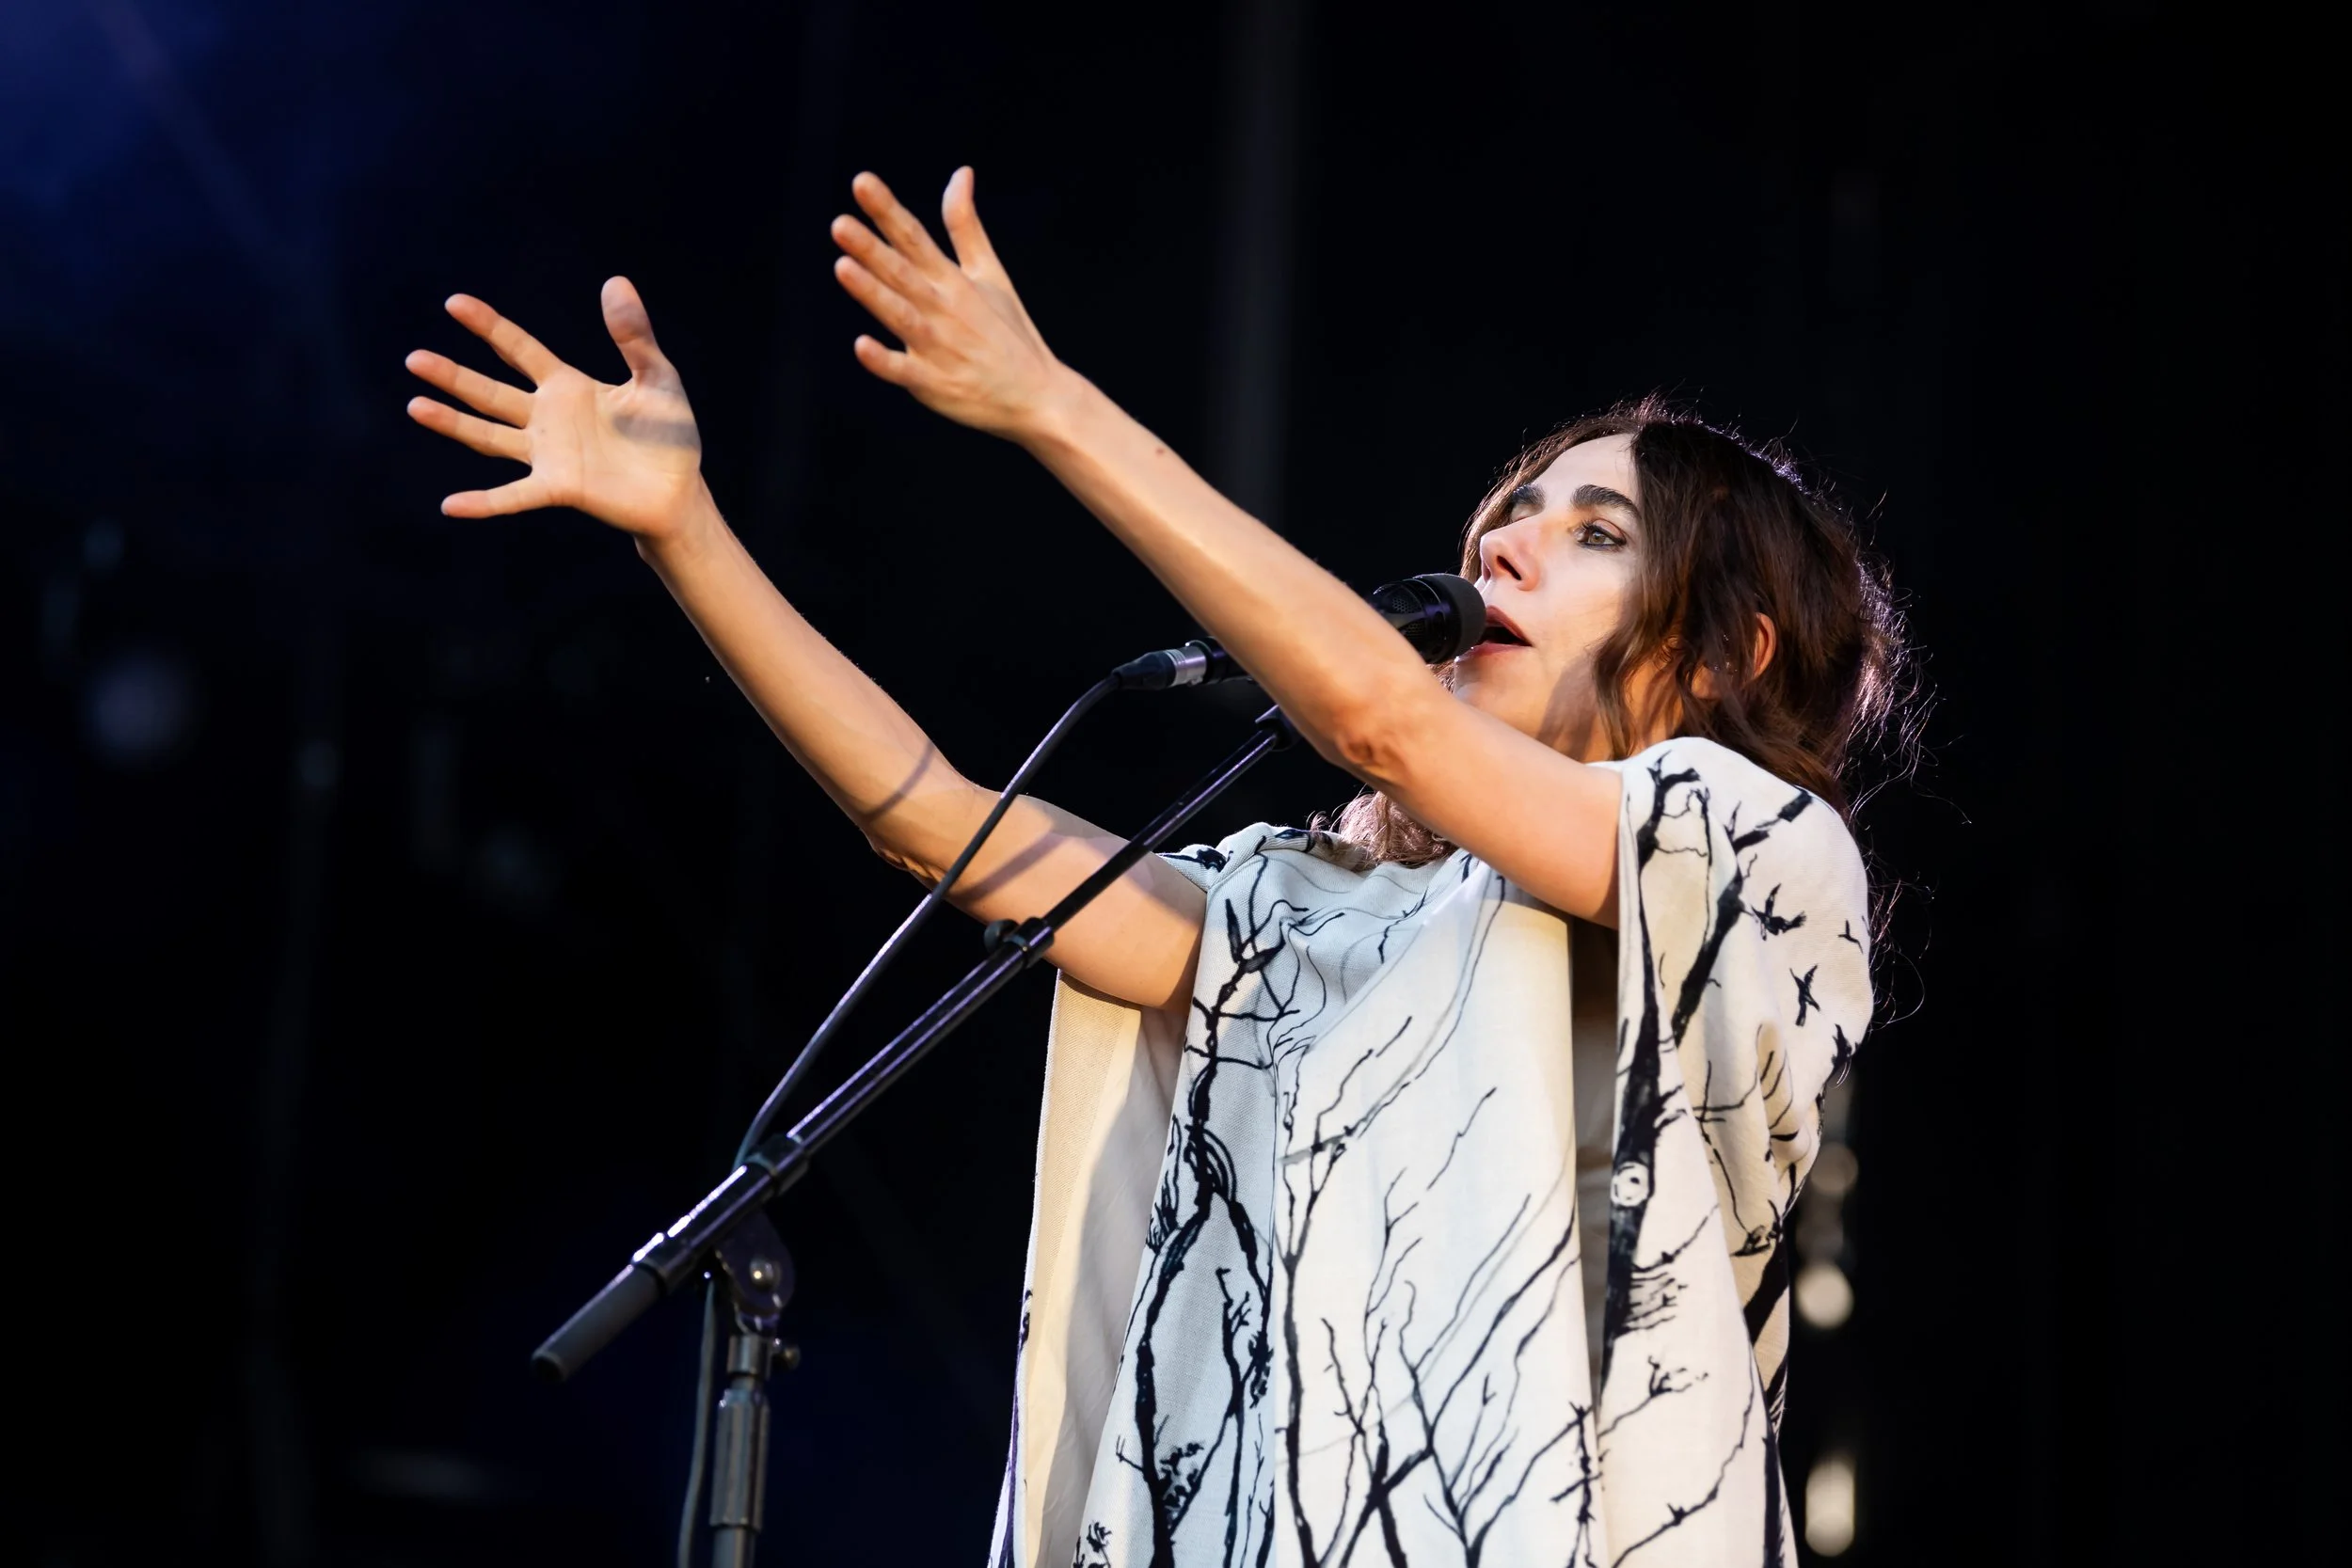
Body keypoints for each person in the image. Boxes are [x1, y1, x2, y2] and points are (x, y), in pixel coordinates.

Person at [405, 166, 1908, 1568]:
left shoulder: (1757, 851)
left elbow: (1375, 717)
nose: (1507, 547)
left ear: (1723, 649)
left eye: (1596, 531)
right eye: (1507, 511)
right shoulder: (1316, 901)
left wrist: (1052, 406)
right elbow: (942, 821)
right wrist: (686, 532)